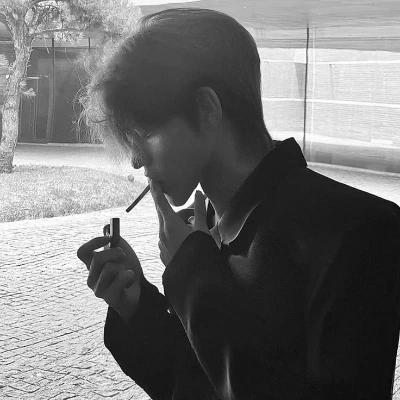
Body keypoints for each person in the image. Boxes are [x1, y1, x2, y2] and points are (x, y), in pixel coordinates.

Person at [76, 8, 400, 400]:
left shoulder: (360, 232)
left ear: (206, 109)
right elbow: (190, 382)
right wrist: (136, 306)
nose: (135, 160)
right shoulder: (202, 229)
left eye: (144, 132)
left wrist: (193, 277)